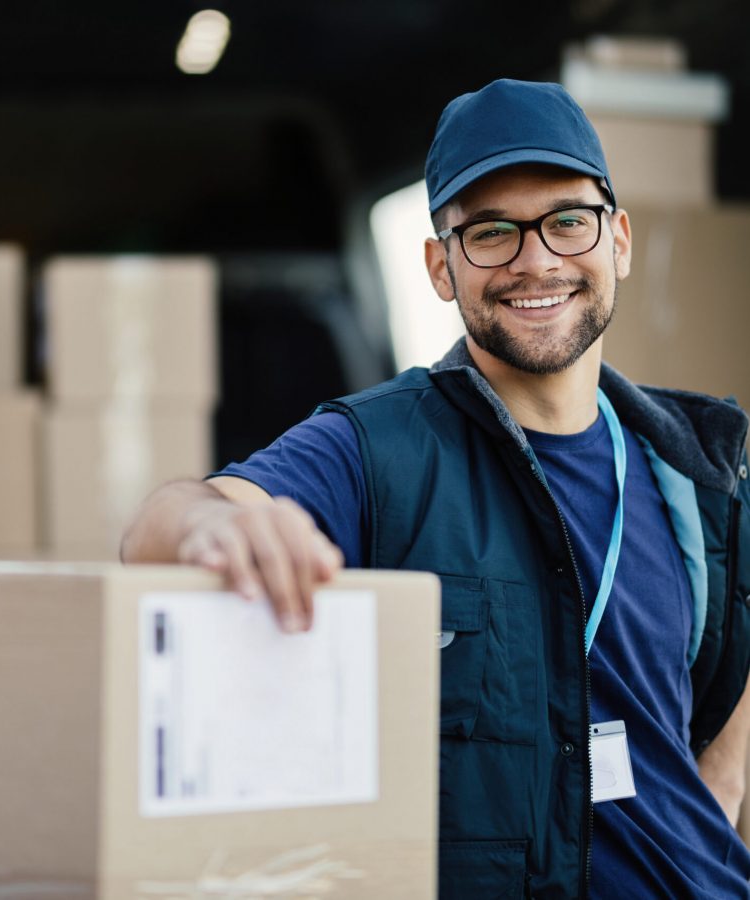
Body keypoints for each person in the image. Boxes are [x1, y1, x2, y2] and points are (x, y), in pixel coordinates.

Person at [121, 79, 750, 898]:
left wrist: (724, 786)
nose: (537, 259)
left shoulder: (696, 466)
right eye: (491, 232)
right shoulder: (375, 450)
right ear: (439, 267)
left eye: (567, 220)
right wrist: (210, 530)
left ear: (618, 240)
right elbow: (159, 528)